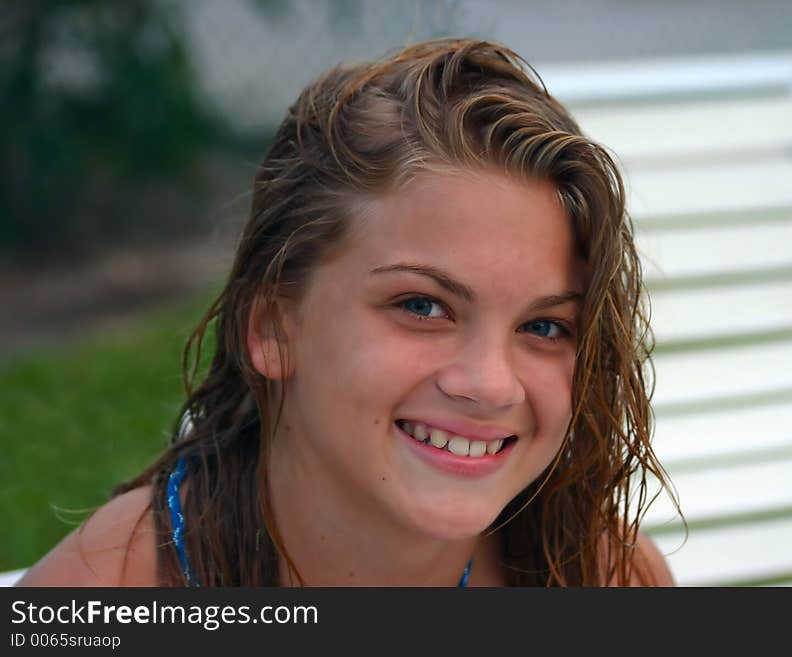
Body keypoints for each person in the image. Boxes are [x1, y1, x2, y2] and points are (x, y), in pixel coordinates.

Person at [19, 38, 679, 587]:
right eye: (422, 305)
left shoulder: (599, 572)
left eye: (544, 326)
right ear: (274, 326)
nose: (489, 383)